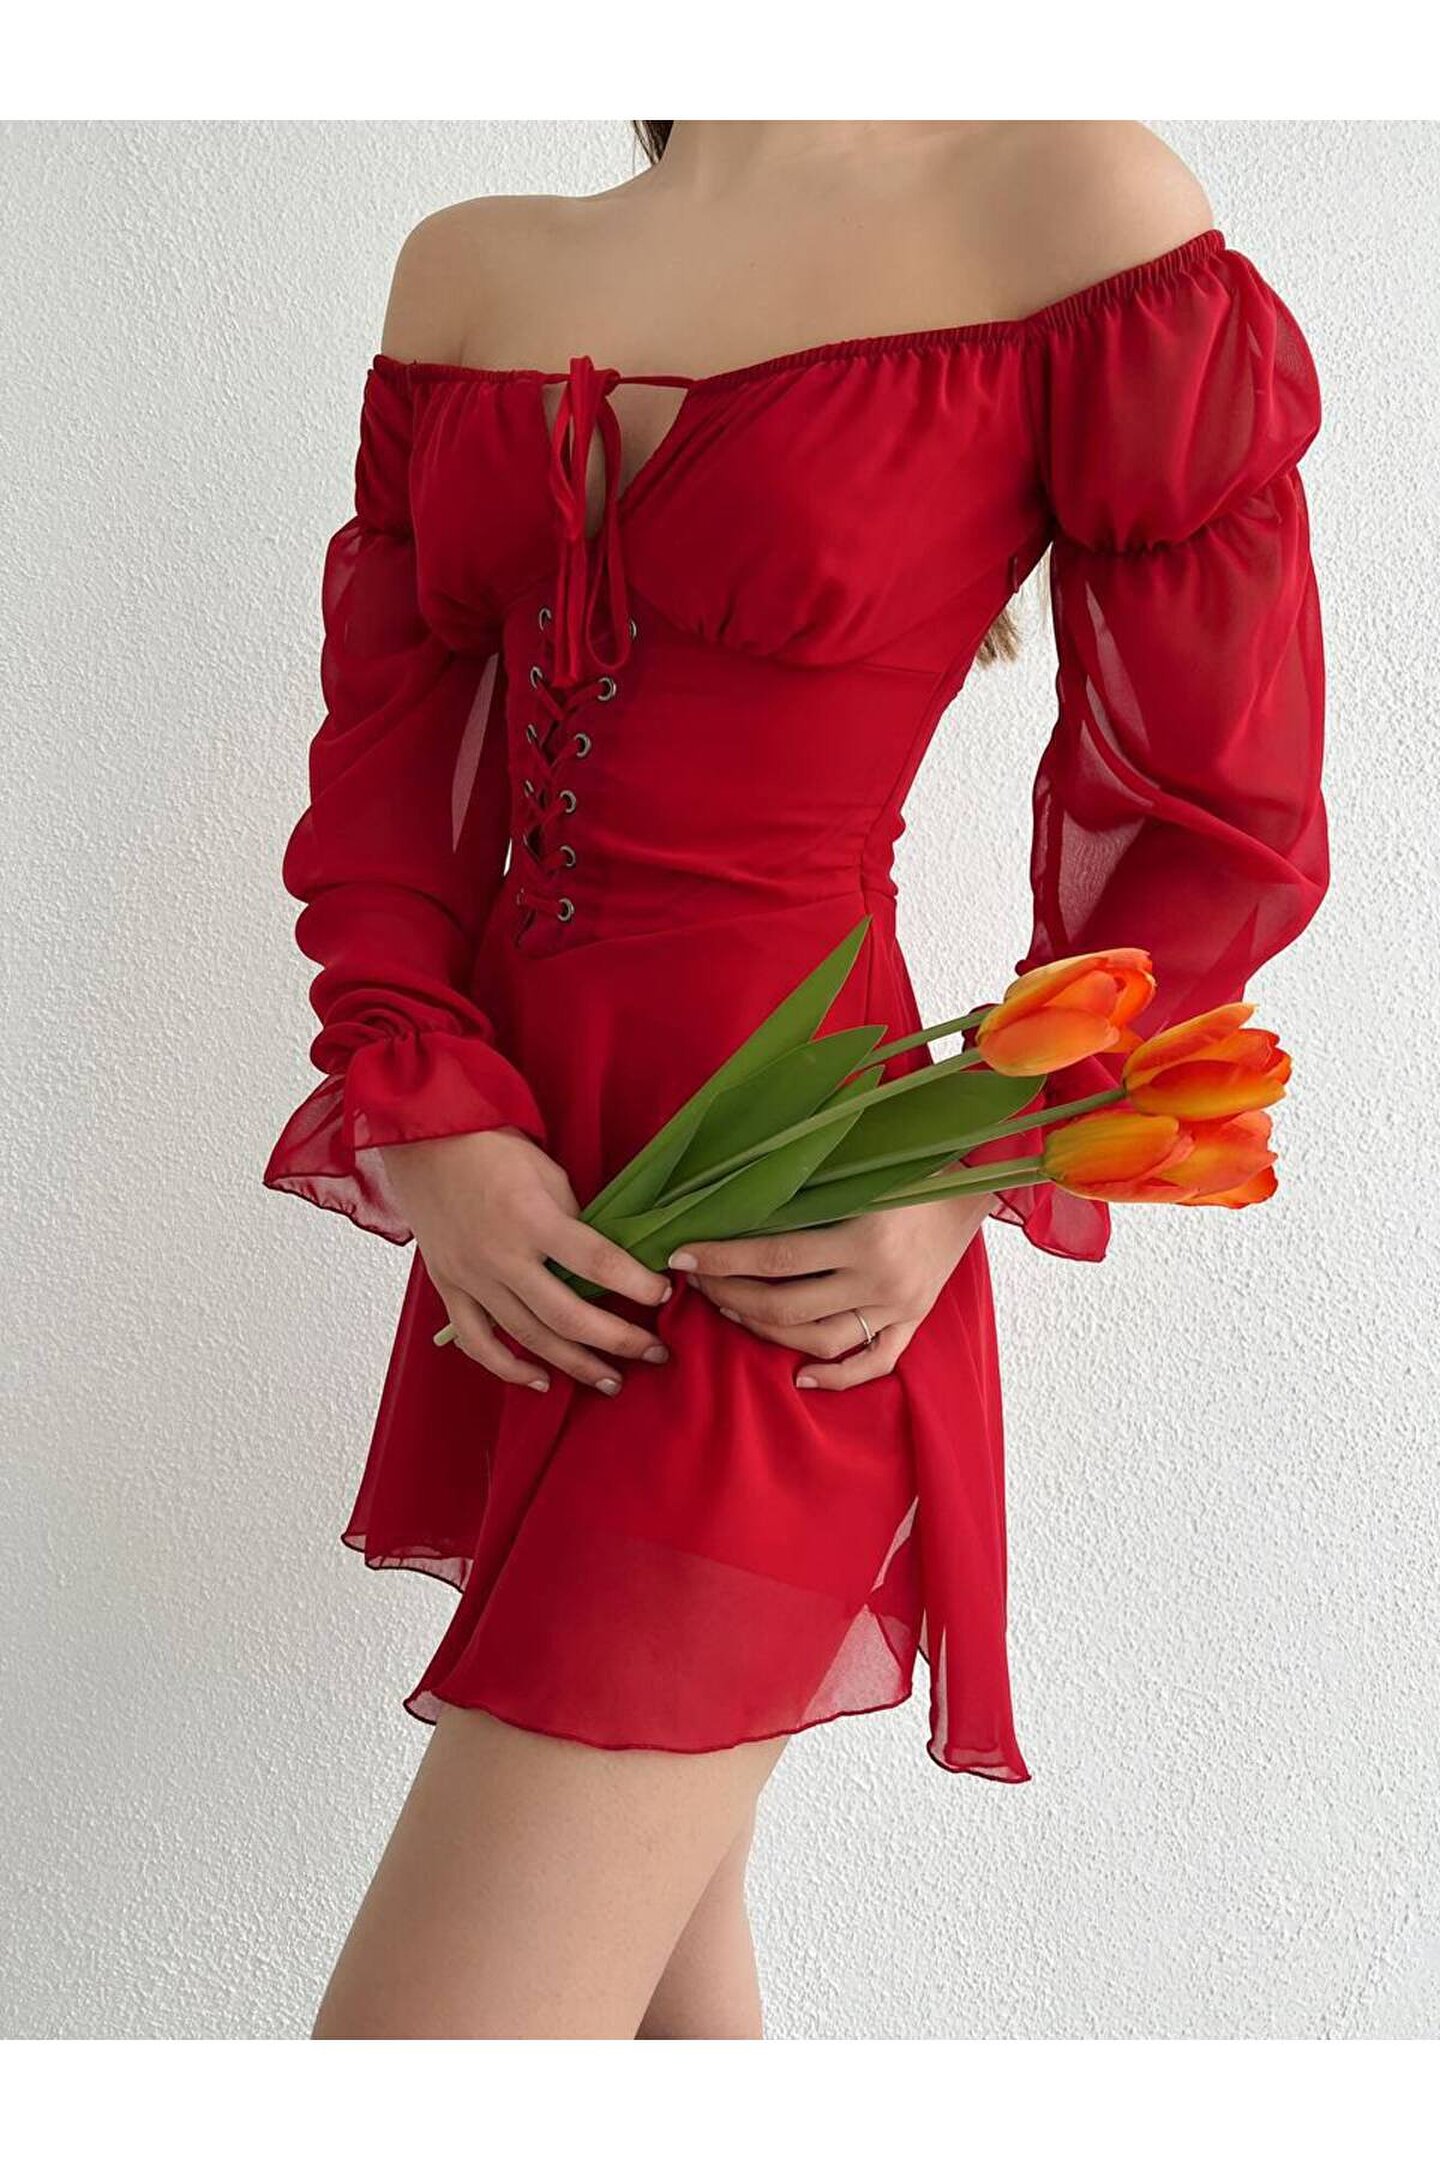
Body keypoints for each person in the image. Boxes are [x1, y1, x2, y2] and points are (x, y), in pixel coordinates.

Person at [263, 120, 1328, 2038]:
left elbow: (1218, 814)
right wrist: (426, 1109)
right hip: (534, 1225)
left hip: (796, 1223)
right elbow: (387, 777)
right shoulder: (467, 266)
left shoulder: (1068, 209)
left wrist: (968, 1162)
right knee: (660, 2010)